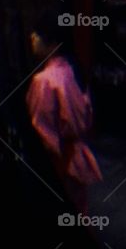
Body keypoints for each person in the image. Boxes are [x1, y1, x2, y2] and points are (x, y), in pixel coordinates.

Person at [26, 13, 103, 215]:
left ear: (51, 43)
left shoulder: (44, 81)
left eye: (37, 35)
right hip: (77, 154)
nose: (32, 38)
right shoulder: (72, 69)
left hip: (60, 158)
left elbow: (43, 132)